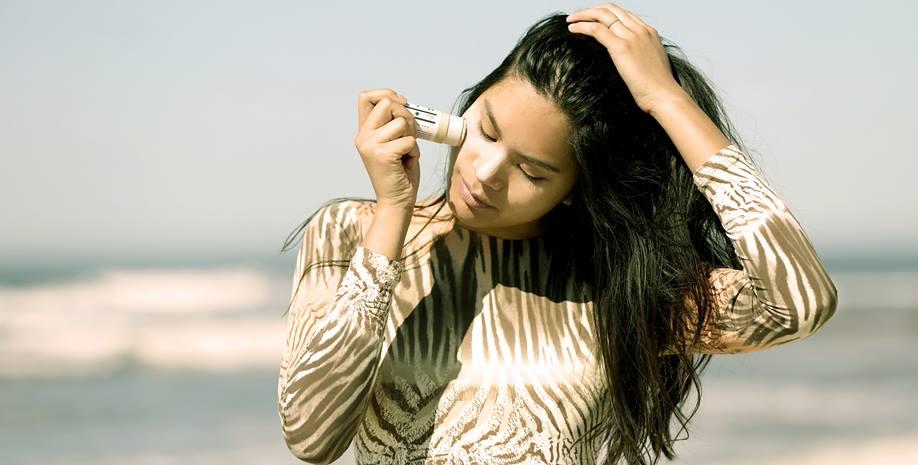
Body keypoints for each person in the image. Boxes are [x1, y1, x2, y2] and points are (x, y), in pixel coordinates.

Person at [276, 4, 839, 465]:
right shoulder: (352, 232)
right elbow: (311, 436)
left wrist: (666, 100)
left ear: (575, 188)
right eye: (486, 131)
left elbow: (799, 303)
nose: (485, 172)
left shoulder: (617, 285)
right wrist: (393, 216)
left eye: (532, 171)